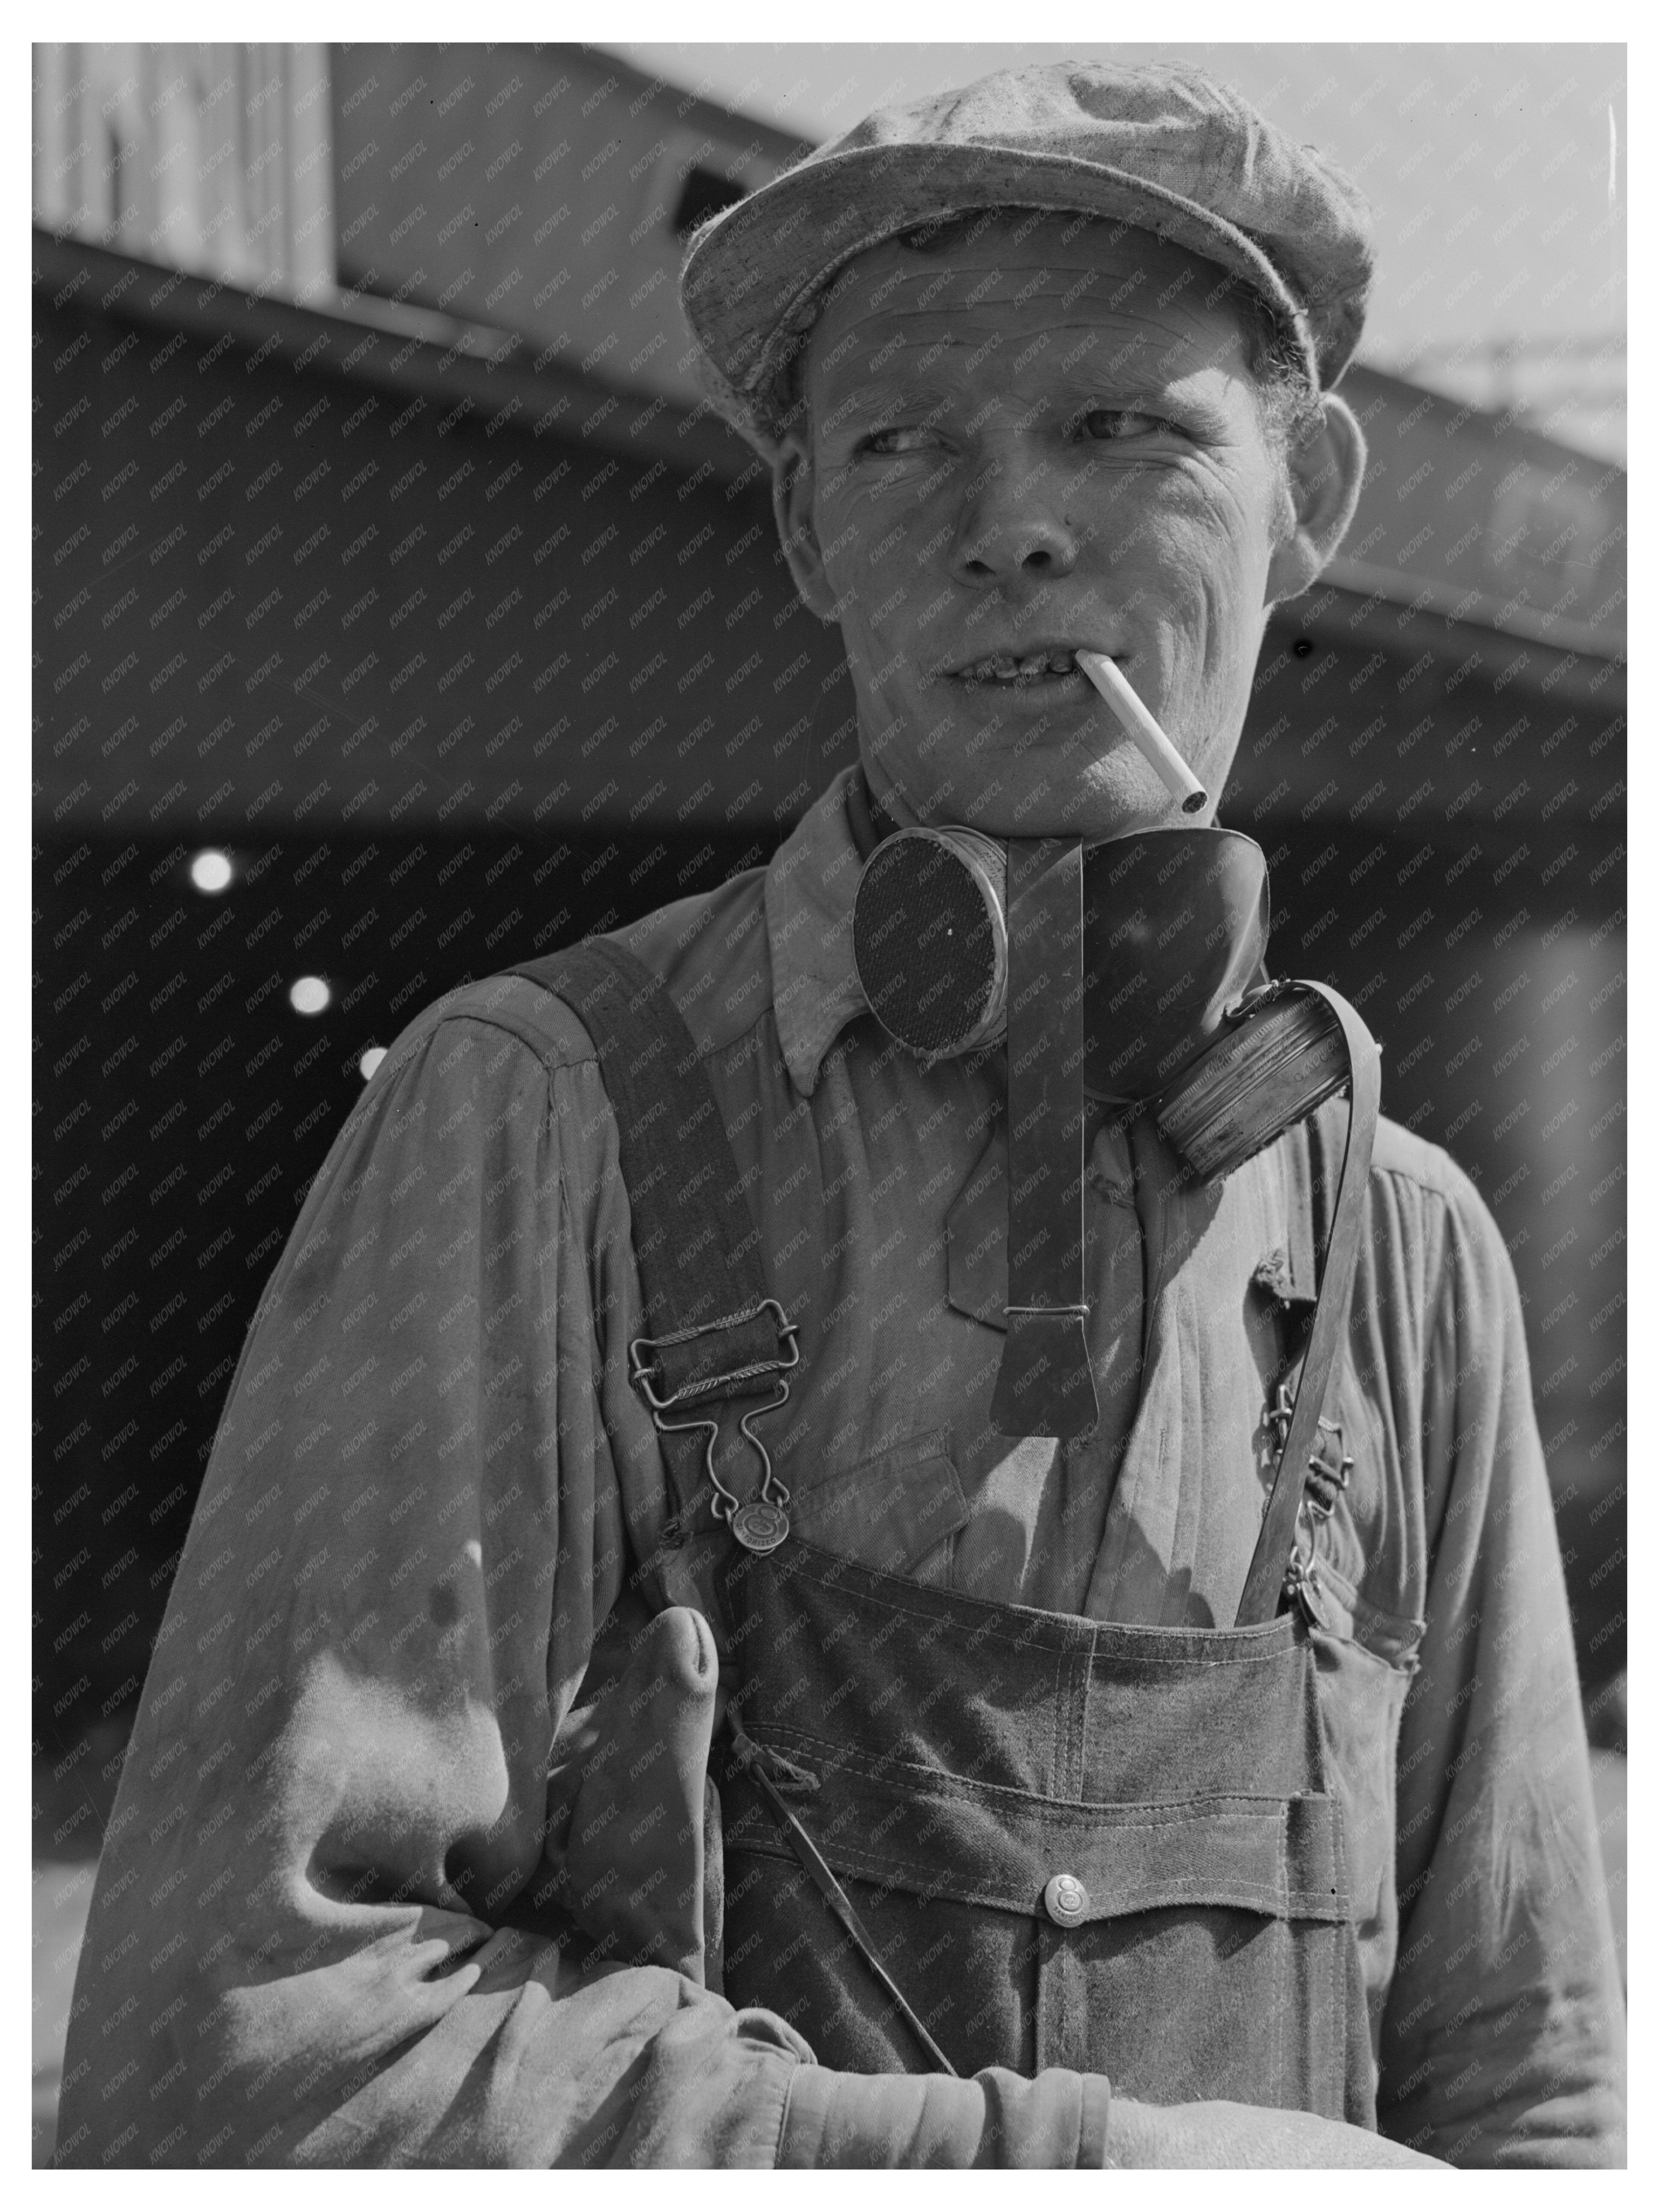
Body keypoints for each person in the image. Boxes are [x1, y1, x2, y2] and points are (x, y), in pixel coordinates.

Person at [57, 60, 1625, 2169]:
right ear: (803, 525)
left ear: (1310, 491)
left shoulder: (1407, 1251)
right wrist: (1094, 2174)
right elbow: (240, 2058)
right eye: (904, 444)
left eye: (1126, 428)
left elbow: (1528, 2089)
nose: (1016, 527)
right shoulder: (536, 1119)